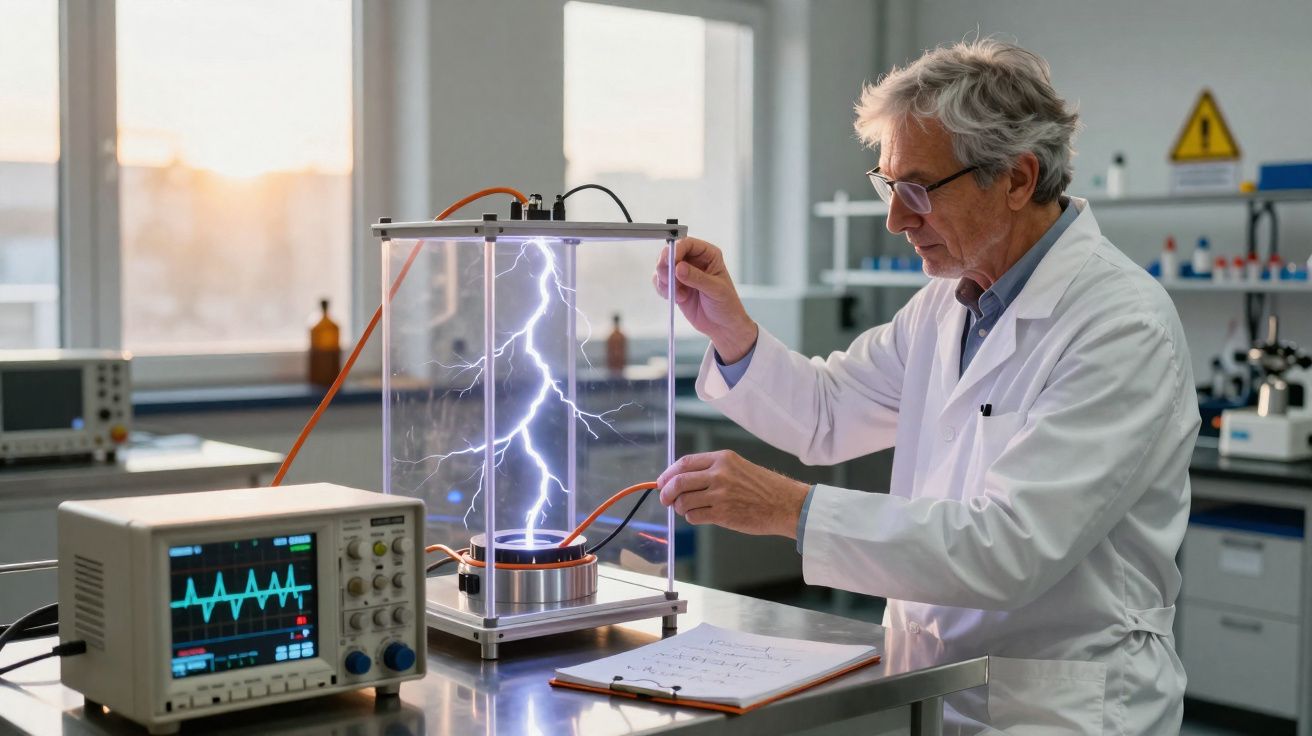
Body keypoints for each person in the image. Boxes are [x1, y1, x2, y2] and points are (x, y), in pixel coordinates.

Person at [654, 39, 1199, 735]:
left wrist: (791, 509)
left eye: (918, 190)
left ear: (1017, 179)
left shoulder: (1120, 325)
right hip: (935, 688)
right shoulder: (949, 303)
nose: (896, 219)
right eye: (889, 187)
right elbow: (827, 411)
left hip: (1059, 706)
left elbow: (1010, 548)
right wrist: (731, 330)